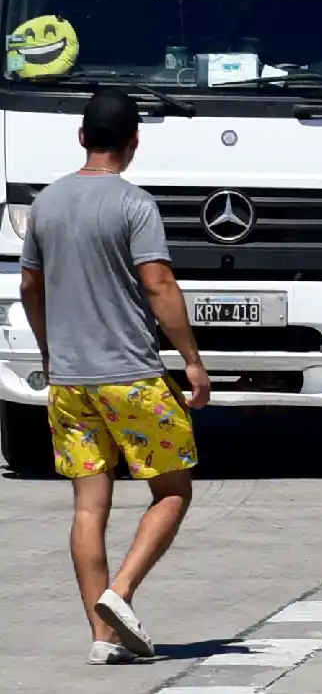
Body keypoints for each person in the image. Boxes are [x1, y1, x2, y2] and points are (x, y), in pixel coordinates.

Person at [18, 89, 212, 664]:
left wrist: (51, 350)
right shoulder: (134, 204)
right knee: (173, 490)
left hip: (70, 381)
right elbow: (158, 285)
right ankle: (120, 593)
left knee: (87, 507)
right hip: (130, 377)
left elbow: (30, 287)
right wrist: (193, 362)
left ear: (81, 137)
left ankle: (102, 641)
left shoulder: (46, 203)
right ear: (134, 143)